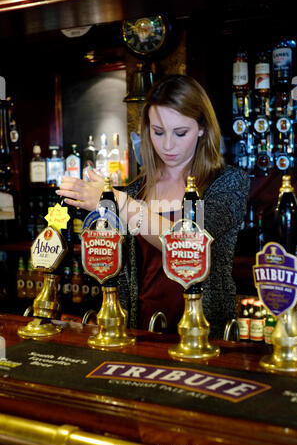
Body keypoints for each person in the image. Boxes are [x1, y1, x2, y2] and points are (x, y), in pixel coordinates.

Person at [57, 74, 250, 339]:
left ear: (202, 128)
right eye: (158, 132)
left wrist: (118, 203)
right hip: (141, 330)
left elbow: (190, 246)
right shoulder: (136, 191)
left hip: (206, 335)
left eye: (180, 133)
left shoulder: (226, 184)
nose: (167, 145)